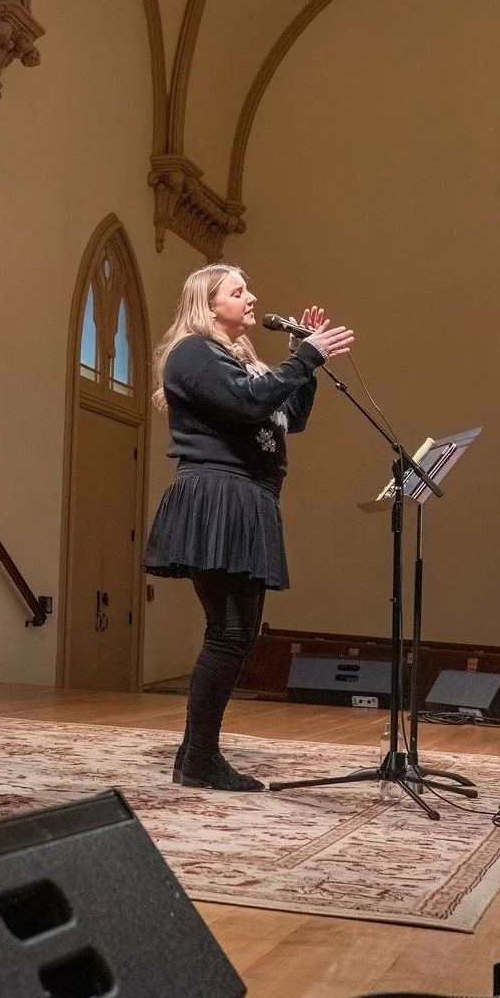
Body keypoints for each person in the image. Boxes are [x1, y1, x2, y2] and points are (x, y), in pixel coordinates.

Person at [143, 264, 354, 791]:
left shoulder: (241, 361)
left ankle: (194, 755)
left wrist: (303, 364)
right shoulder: (193, 353)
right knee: (230, 633)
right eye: (238, 292)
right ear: (209, 305)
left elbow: (289, 415)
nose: (251, 297)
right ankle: (200, 760)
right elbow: (247, 402)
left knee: (235, 634)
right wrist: (305, 356)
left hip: (247, 498)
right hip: (218, 495)